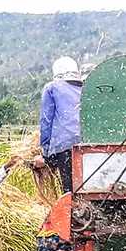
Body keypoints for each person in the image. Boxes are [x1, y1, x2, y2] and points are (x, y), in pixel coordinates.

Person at [38, 56, 84, 193]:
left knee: (70, 191)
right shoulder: (86, 86)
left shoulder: (52, 88)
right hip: (88, 145)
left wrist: (46, 153)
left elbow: (46, 120)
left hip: (65, 146)